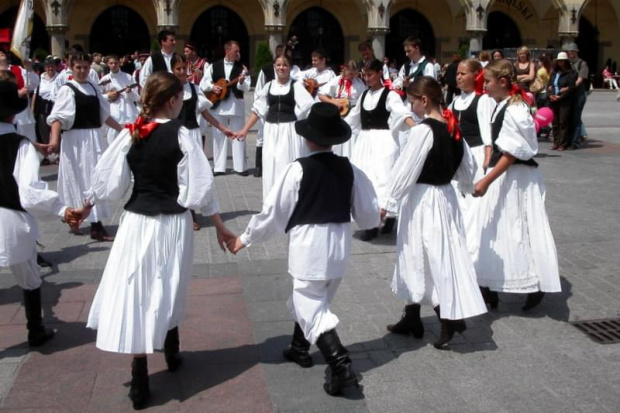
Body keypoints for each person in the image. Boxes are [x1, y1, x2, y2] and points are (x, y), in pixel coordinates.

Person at [85, 72, 235, 410]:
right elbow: (200, 188)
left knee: (136, 290)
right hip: (171, 222)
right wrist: (220, 225)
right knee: (168, 284)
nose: (183, 103)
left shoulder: (132, 133)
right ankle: (170, 350)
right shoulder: (181, 135)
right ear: (172, 100)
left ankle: (141, 373)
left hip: (136, 221)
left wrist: (86, 205)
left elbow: (109, 182)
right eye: (181, 98)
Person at [228, 102, 380, 395]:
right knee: (314, 301)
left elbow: (273, 212)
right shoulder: (351, 169)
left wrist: (245, 239)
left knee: (310, 305)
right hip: (338, 244)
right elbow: (368, 214)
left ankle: (341, 365)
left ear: (308, 137)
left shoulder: (297, 169)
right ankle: (299, 346)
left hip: (310, 246)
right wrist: (375, 218)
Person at [381, 76, 487, 349]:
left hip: (423, 199)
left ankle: (448, 317)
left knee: (426, 256)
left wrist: (387, 202)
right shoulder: (453, 128)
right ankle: (413, 316)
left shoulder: (422, 131)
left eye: (413, 100)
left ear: (424, 100)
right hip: (444, 197)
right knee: (421, 255)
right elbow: (467, 171)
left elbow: (404, 173)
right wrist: (462, 186)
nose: (410, 106)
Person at [0, 79, 89, 348]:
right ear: (13, 113)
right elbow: (30, 192)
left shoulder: (23, 144)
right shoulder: (20, 146)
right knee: (29, 278)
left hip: (9, 219)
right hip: (10, 221)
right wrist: (63, 209)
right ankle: (35, 330)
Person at [472, 59, 561, 311]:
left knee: (519, 227)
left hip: (515, 177)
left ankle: (536, 282)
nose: (484, 86)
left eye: (487, 82)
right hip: (505, 174)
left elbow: (511, 153)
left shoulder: (515, 109)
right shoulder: (502, 105)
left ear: (502, 82)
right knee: (495, 227)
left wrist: (487, 180)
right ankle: (489, 284)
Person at [47, 53, 123, 241]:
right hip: (75, 141)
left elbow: (104, 115)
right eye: (78, 67)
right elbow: (57, 118)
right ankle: (86, 222)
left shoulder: (93, 87)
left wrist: (123, 130)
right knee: (77, 179)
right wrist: (54, 142)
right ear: (71, 68)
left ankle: (88, 219)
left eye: (85, 67)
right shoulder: (67, 89)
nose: (82, 71)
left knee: (95, 178)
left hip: (93, 138)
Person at [345, 59, 415, 241]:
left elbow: (401, 112)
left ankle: (384, 219)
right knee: (366, 181)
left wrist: (415, 128)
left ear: (379, 73)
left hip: (384, 142)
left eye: (370, 74)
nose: (367, 78)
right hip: (365, 143)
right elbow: (353, 118)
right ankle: (372, 221)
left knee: (383, 180)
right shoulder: (364, 96)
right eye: (365, 75)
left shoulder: (390, 95)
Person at [235, 55, 315, 200]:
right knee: (271, 166)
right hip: (271, 131)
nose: (281, 68)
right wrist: (245, 129)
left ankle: (291, 203)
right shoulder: (269, 86)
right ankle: (272, 204)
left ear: (289, 68)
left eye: (284, 65)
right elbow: (258, 110)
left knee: (288, 165)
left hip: (289, 131)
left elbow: (308, 107)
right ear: (274, 67)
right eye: (278, 65)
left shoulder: (296, 86)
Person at [171, 54, 234, 230]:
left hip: (192, 134)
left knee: (192, 173)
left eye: (184, 68)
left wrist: (222, 128)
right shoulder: (167, 89)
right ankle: (176, 208)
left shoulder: (194, 88)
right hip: (174, 135)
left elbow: (205, 113)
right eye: (178, 69)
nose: (182, 71)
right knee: (176, 173)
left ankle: (191, 210)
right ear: (172, 70)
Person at [449, 58, 496, 253]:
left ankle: (473, 250)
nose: (459, 77)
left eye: (463, 73)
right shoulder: (454, 101)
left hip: (475, 154)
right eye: (457, 74)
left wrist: (487, 160)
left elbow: (487, 135)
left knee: (473, 205)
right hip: (457, 155)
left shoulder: (482, 100)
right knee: (458, 202)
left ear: (475, 75)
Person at [200, 40, 250, 176]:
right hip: (218, 105)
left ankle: (240, 167)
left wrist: (241, 83)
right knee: (218, 136)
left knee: (238, 135)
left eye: (238, 51)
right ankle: (219, 167)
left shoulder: (242, 68)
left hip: (236, 104)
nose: (238, 53)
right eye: (235, 51)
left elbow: (246, 87)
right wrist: (212, 87)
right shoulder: (213, 66)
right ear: (227, 51)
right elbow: (204, 83)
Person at [318, 60, 365, 157]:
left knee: (351, 142)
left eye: (354, 74)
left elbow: (363, 98)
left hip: (353, 117)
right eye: (350, 73)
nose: (352, 77)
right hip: (339, 116)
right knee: (338, 143)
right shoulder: (336, 81)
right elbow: (321, 95)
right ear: (345, 69)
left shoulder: (359, 84)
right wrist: (334, 102)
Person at [99, 54, 140, 145]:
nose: (113, 65)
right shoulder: (104, 79)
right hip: (113, 115)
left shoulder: (128, 77)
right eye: (111, 63)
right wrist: (108, 96)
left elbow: (136, 97)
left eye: (115, 63)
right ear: (107, 64)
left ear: (119, 63)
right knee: (113, 144)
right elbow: (98, 98)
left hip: (128, 113)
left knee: (129, 143)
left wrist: (129, 92)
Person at [547, 52, 576, 151]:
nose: (560, 62)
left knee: (563, 122)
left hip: (564, 101)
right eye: (559, 61)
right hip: (553, 100)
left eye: (562, 60)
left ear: (566, 61)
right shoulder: (554, 72)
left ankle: (563, 143)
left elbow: (572, 88)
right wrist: (550, 95)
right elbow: (549, 85)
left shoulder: (570, 73)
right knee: (554, 122)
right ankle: (556, 142)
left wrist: (561, 96)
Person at [33, 57, 58, 165]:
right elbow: (35, 94)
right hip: (42, 106)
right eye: (48, 66)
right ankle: (45, 156)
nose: (50, 68)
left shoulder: (59, 78)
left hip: (55, 105)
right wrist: (32, 109)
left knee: (55, 131)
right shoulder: (40, 78)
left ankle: (57, 154)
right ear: (45, 68)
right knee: (43, 131)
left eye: (52, 66)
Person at [566, 42, 589, 147]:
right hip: (569, 94)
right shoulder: (567, 64)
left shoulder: (582, 63)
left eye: (572, 51)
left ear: (576, 52)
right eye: (569, 51)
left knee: (576, 116)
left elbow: (580, 80)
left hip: (579, 93)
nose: (570, 53)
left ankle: (575, 141)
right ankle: (571, 138)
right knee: (570, 116)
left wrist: (569, 88)